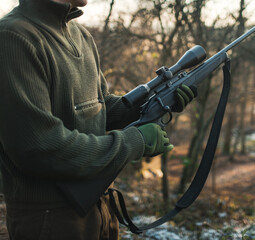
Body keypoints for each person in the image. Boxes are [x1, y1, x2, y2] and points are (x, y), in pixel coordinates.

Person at [0, 0, 196, 239]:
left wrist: (156, 102)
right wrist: (134, 142)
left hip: (99, 208)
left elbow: (101, 108)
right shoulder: (13, 37)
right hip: (50, 219)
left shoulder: (80, 34)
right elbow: (40, 147)